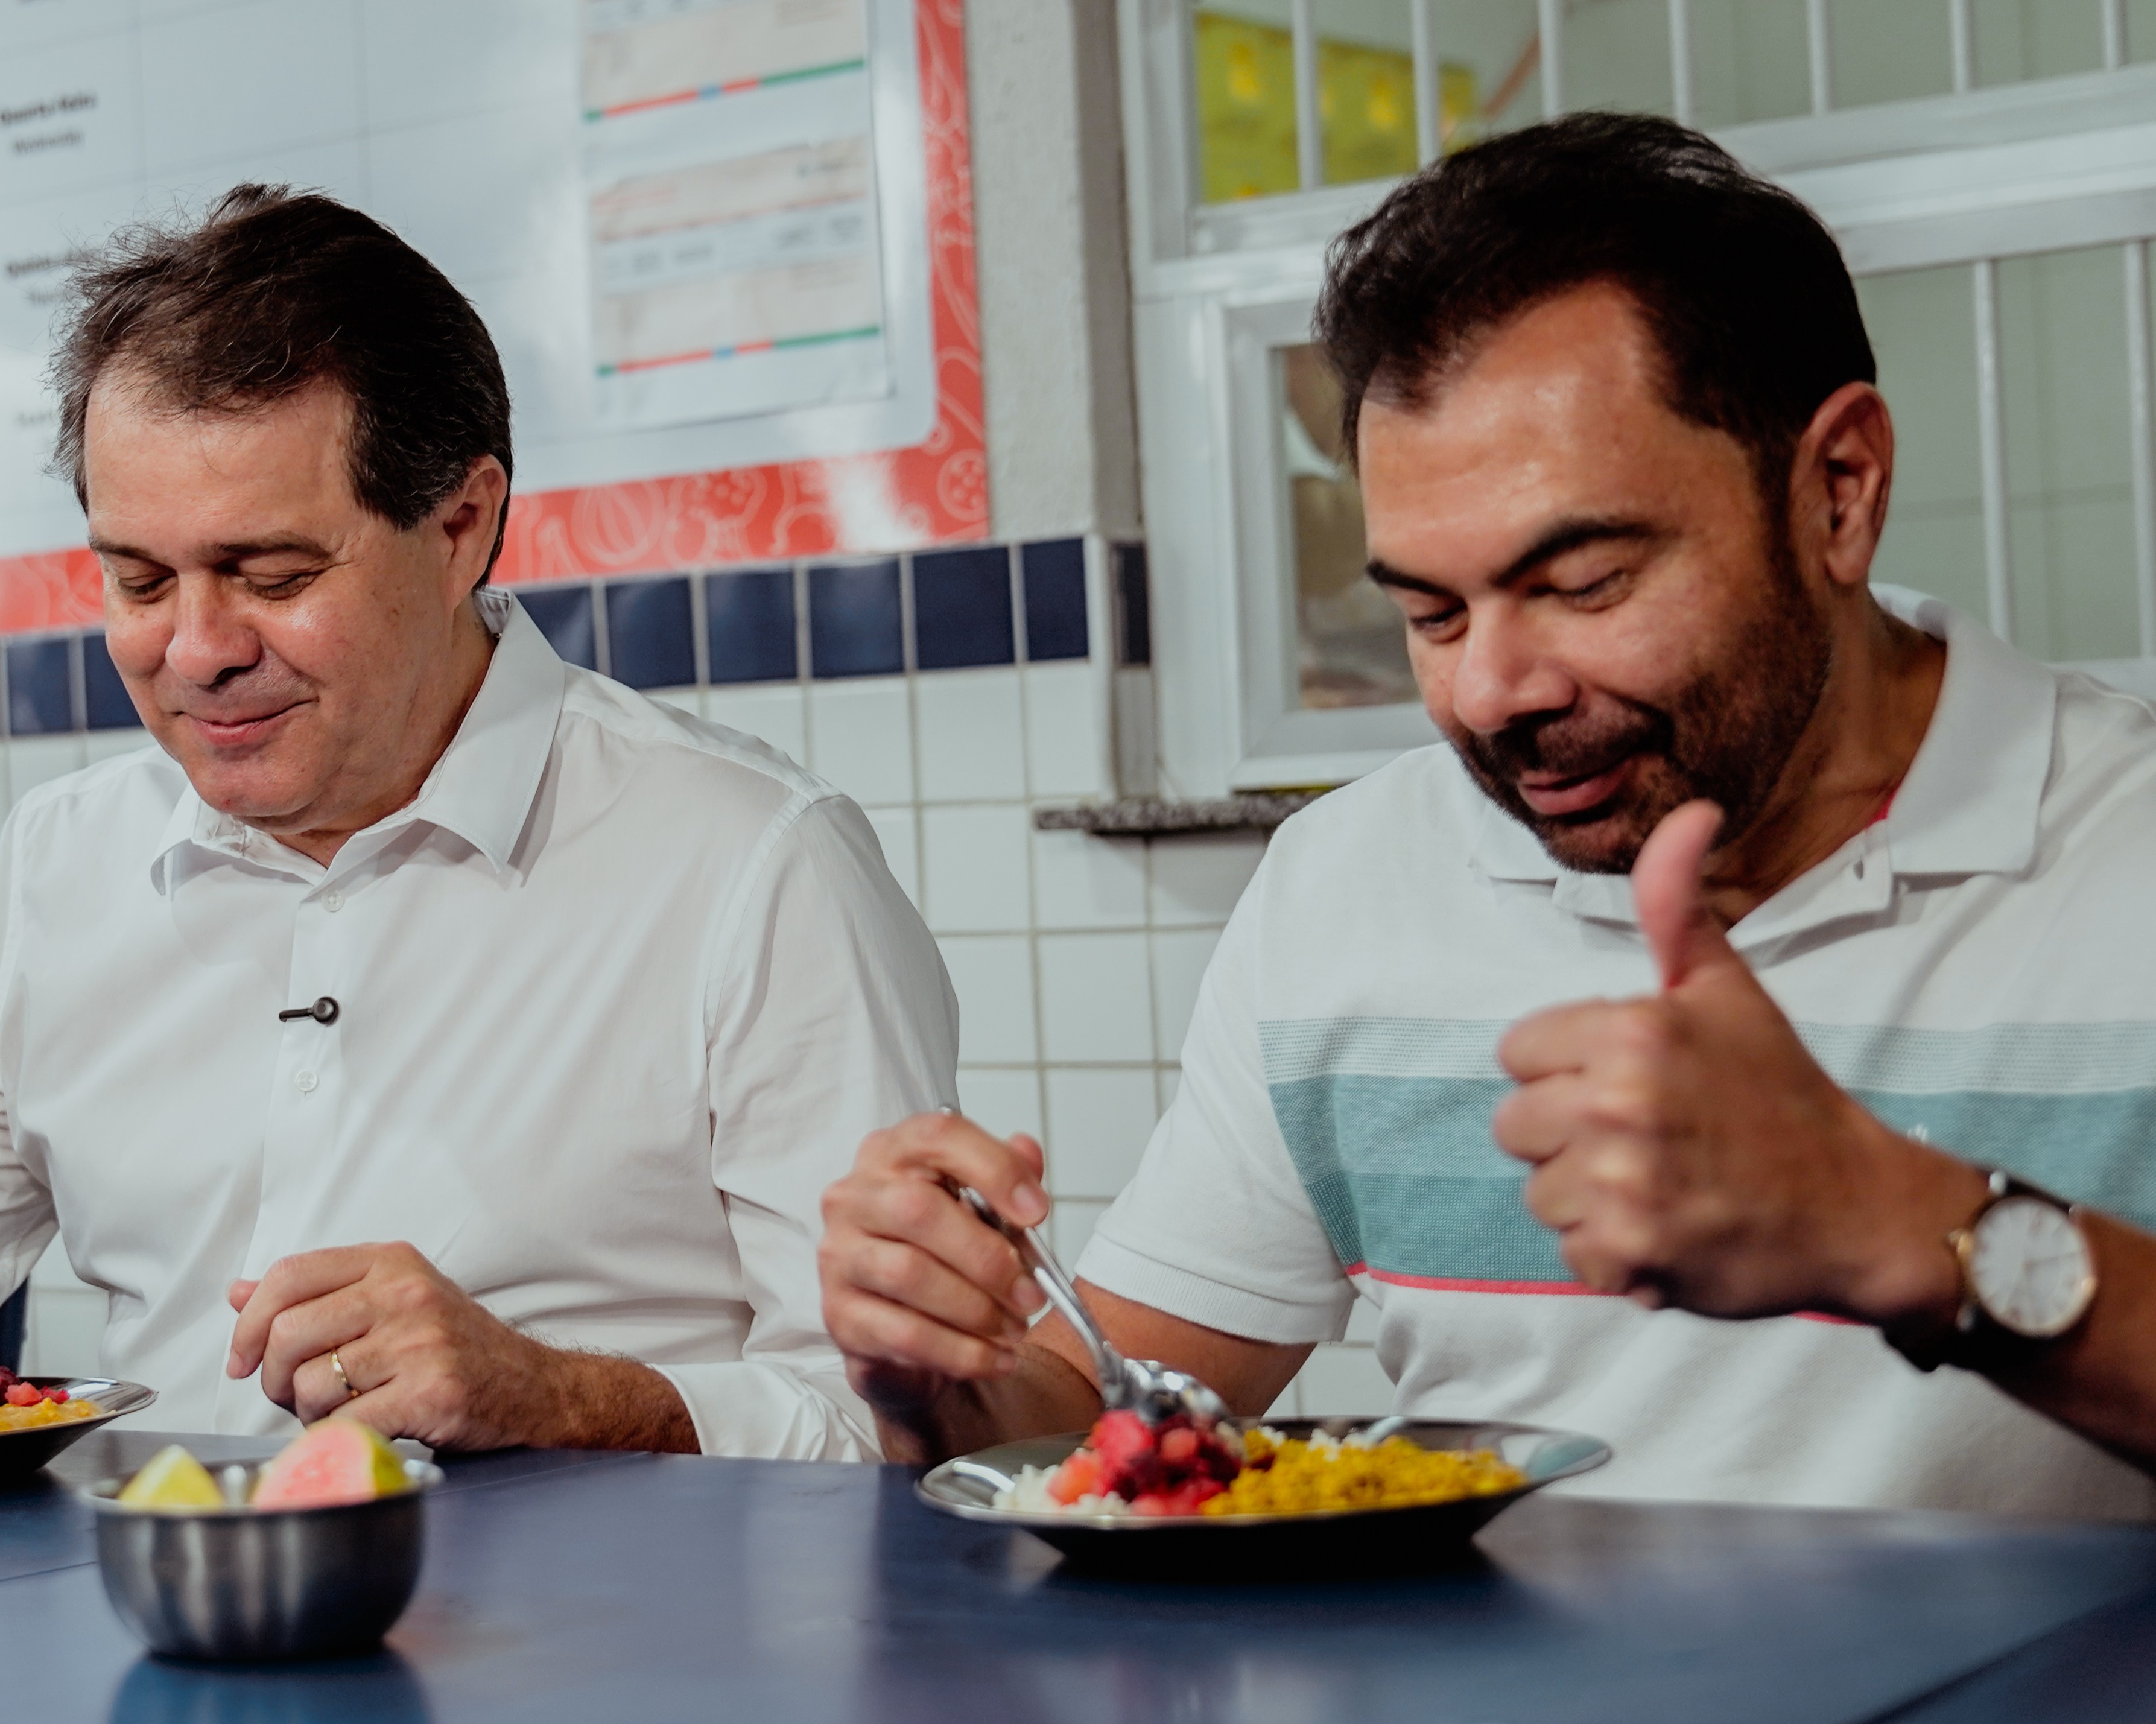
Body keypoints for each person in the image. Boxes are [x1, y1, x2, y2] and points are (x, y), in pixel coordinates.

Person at [820, 113, 2156, 1514]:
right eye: (1430, 611)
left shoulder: (2122, 847)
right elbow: (1091, 1416)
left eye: (1583, 581)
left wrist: (1902, 1224)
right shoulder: (1346, 886)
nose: (1494, 688)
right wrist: (939, 1372)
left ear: (1838, 489)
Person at [0, 186, 956, 1457]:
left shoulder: (751, 865)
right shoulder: (59, 869)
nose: (196, 648)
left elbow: (913, 1426)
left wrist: (566, 1396)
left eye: (266, 570)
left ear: (459, 525)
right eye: (138, 579)